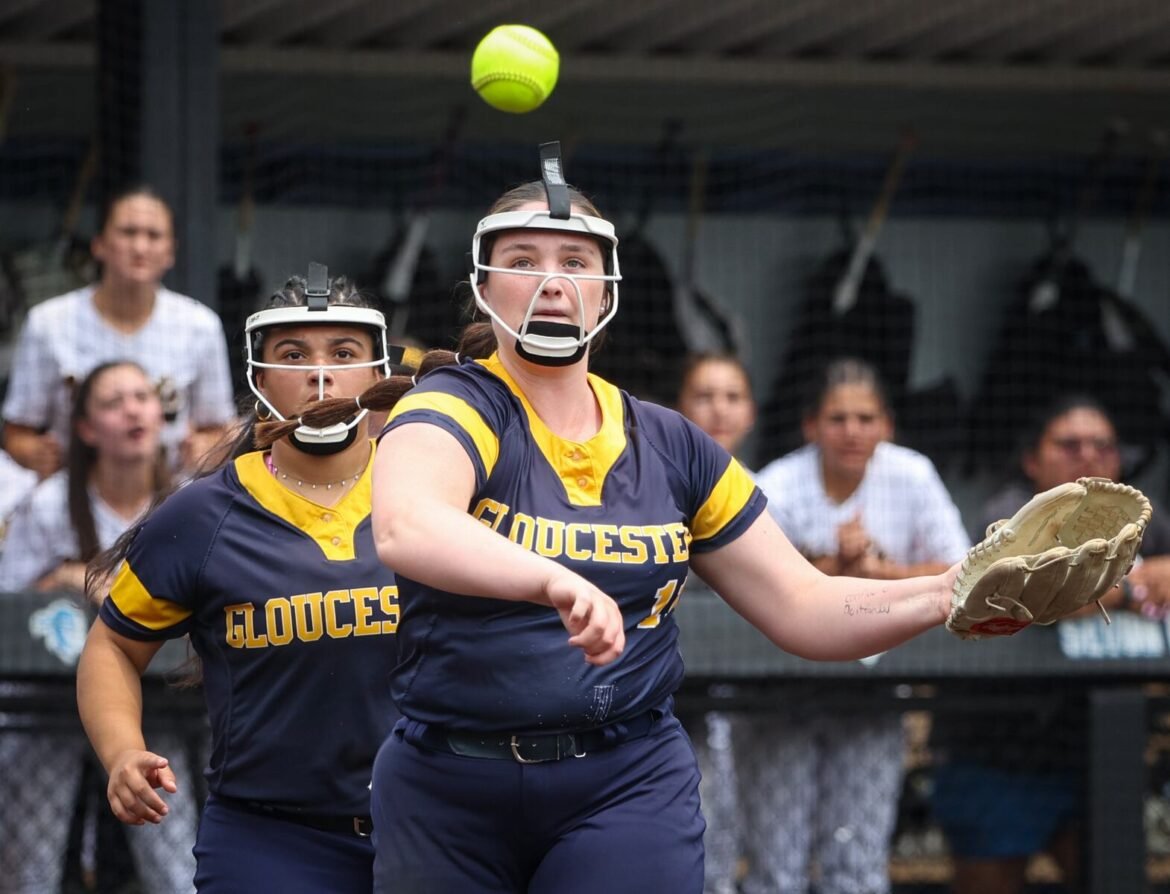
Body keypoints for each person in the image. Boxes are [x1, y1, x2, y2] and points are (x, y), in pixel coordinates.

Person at [316, 149, 962, 894]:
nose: (553, 280)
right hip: (449, 782)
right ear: (484, 287)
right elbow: (408, 526)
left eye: (576, 261)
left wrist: (950, 593)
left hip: (624, 776)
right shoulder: (455, 404)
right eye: (523, 260)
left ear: (606, 290)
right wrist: (555, 582)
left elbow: (803, 605)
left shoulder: (671, 441)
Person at [75, 268, 402, 893]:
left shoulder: (439, 489)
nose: (320, 373)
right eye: (293, 353)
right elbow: (112, 645)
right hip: (270, 838)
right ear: (258, 375)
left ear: (377, 372)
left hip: (430, 825)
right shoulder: (202, 514)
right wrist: (122, 751)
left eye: (343, 352)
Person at [732, 356, 970, 894]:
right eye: (837, 419)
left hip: (873, 693)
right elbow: (752, 574)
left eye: (866, 419)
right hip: (780, 695)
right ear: (811, 425)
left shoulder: (911, 473)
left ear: (886, 424)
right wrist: (834, 567)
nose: (852, 431)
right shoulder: (779, 483)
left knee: (857, 866)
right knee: (777, 867)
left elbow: (965, 567)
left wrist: (883, 572)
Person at [930, 394, 1170, 894]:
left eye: (1103, 445)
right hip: (994, 746)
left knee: (1112, 875)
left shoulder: (1144, 516)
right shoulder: (1005, 517)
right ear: (1032, 459)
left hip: (1091, 749)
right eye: (1070, 444)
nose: (1089, 457)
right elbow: (1039, 591)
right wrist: (1135, 582)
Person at [0, 360, 198, 894]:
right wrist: (65, 577)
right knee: (29, 870)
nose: (133, 409)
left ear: (162, 415)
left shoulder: (190, 501)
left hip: (158, 704)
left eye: (142, 396)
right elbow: (7, 606)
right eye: (113, 402)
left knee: (176, 870)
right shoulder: (47, 504)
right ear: (85, 429)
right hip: (44, 706)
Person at [2, 185, 236, 479]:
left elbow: (218, 428)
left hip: (169, 502)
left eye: (153, 235)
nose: (140, 247)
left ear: (170, 252)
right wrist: (33, 453)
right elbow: (17, 432)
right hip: (74, 498)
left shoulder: (201, 326)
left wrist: (206, 446)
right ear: (99, 244)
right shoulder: (47, 323)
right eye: (128, 232)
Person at [675, 352, 757, 894]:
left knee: (723, 833)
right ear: (679, 407)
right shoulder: (652, 472)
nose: (719, 409)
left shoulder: (761, 486)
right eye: (704, 396)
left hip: (751, 699)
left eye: (732, 396)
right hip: (665, 691)